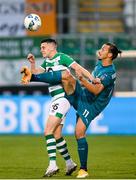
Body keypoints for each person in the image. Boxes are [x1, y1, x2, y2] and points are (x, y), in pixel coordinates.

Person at [21, 42, 121, 178]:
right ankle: (69, 163)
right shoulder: (99, 63)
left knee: (78, 132)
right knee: (67, 77)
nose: (100, 50)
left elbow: (97, 90)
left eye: (103, 49)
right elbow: (86, 76)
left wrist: (84, 80)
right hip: (84, 94)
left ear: (109, 55)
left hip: (93, 104)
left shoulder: (109, 73)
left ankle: (83, 169)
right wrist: (88, 79)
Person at [24, 38, 94, 177]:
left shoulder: (62, 57)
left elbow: (78, 68)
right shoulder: (47, 62)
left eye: (43, 47)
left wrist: (92, 78)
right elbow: (37, 73)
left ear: (52, 47)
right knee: (56, 135)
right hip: (56, 98)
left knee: (47, 131)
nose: (41, 50)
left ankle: (52, 164)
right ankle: (69, 163)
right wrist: (32, 63)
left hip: (63, 97)